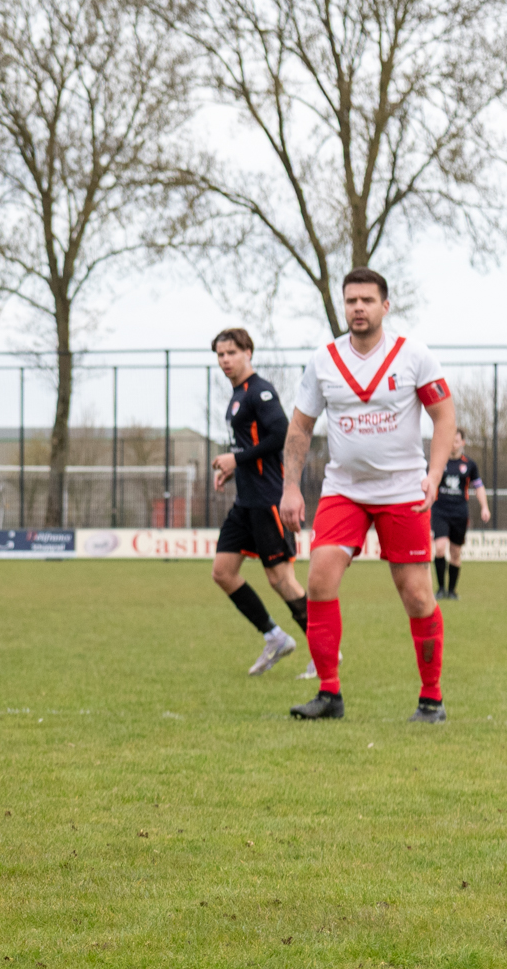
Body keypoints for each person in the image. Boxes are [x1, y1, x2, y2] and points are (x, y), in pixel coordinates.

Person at [282, 268, 456, 723]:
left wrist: (434, 474)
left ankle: (431, 699)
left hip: (403, 489)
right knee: (319, 580)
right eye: (351, 300)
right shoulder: (323, 360)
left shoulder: (413, 355)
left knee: (416, 594)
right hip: (344, 489)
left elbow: (444, 416)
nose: (358, 308)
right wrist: (290, 487)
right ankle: (329, 694)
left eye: (367, 300)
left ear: (385, 305)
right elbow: (300, 427)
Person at [208, 327, 310, 675]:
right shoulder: (238, 395)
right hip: (246, 502)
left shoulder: (260, 391)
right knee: (223, 572)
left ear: (248, 353)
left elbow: (281, 434)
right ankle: (274, 636)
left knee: (281, 579)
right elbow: (250, 446)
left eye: (231, 353)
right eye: (220, 355)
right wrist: (233, 469)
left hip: (268, 500)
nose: (225, 360)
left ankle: (326, 651)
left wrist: (236, 460)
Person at [432, 429, 489, 599]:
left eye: (456, 441)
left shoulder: (470, 465)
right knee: (440, 548)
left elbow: (479, 487)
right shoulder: (439, 462)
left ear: (462, 442)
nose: (453, 445)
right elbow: (428, 482)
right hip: (440, 511)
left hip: (459, 513)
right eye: (451, 441)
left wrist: (484, 507)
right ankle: (441, 589)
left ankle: (452, 591)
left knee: (455, 553)